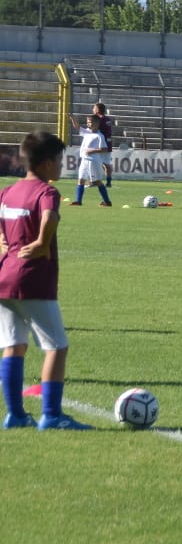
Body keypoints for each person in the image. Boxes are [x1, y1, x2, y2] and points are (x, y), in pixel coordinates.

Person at [1, 131, 91, 430]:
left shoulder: (8, 192)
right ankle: (51, 415)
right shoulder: (46, 191)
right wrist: (41, 243)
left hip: (4, 276)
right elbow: (50, 216)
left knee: (13, 345)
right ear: (48, 163)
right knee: (56, 347)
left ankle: (15, 414)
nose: (62, 166)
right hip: (33, 278)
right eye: (60, 160)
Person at [71, 113, 112, 207]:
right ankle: (78, 201)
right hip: (84, 160)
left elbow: (104, 149)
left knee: (97, 182)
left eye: (90, 122)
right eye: (87, 122)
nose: (88, 124)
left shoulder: (99, 136)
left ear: (97, 123)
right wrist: (72, 118)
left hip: (93, 161)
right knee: (81, 180)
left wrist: (92, 150)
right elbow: (77, 127)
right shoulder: (87, 132)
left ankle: (107, 202)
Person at [92, 101, 114, 189]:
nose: (93, 109)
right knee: (106, 164)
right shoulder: (107, 119)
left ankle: (94, 181)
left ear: (97, 110)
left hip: (100, 144)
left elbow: (93, 130)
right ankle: (108, 182)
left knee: (94, 162)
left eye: (94, 107)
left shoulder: (98, 119)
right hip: (108, 144)